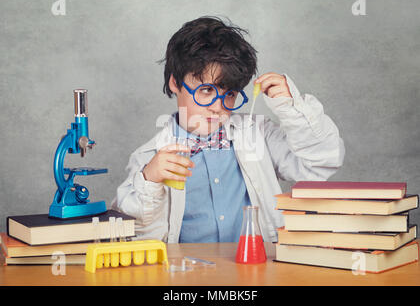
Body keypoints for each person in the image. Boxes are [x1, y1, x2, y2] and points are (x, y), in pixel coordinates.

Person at [111, 16, 345, 243]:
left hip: (258, 270)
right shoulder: (148, 158)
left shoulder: (259, 134)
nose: (218, 107)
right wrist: (149, 181)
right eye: (206, 91)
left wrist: (292, 107)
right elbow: (138, 237)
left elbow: (319, 164)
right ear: (175, 82)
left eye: (229, 94)